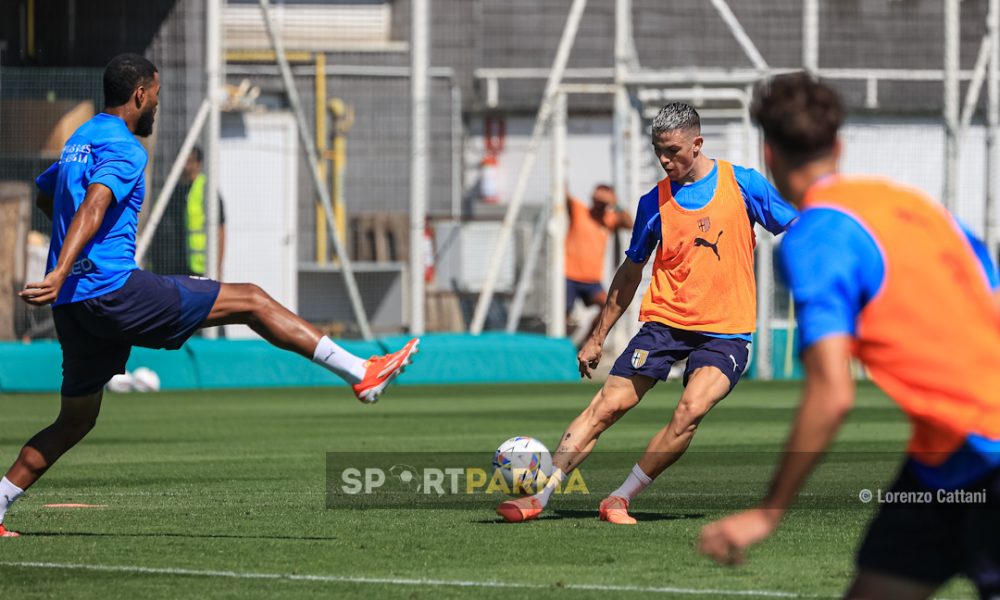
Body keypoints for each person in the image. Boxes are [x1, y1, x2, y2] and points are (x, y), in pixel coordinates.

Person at [0, 54, 418, 538]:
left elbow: (47, 194)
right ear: (140, 95)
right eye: (156, 94)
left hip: (74, 305)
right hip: (112, 290)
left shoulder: (78, 140)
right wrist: (68, 264)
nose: (158, 102)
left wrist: (63, 266)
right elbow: (94, 205)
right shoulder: (126, 147)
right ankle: (360, 373)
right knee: (252, 300)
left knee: (75, 420)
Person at [697, 74, 1000, 599]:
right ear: (838, 146)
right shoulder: (916, 206)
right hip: (946, 458)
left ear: (768, 153)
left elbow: (833, 392)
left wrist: (769, 512)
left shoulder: (816, 235)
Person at [496, 102, 798, 524]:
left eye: (672, 150)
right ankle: (539, 497)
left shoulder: (743, 183)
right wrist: (598, 335)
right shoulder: (652, 202)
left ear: (697, 144)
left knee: (690, 410)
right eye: (658, 150)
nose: (664, 160)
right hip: (665, 324)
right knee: (607, 406)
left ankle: (619, 497)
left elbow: (796, 228)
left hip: (726, 330)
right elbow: (629, 272)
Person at [564, 184, 633, 344]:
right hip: (569, 276)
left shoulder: (608, 218)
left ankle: (586, 344)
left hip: (592, 280)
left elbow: (629, 223)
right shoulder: (580, 211)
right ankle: (561, 348)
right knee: (563, 317)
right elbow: (564, 196)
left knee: (608, 307)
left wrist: (615, 203)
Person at [151, 145, 226, 278]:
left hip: (201, 267)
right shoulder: (174, 192)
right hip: (177, 266)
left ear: (198, 163)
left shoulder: (206, 191)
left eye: (189, 161)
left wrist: (217, 268)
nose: (184, 166)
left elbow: (220, 230)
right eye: (182, 161)